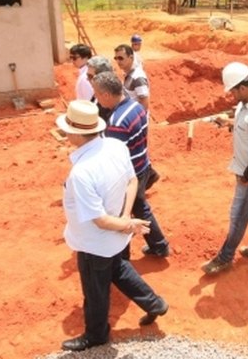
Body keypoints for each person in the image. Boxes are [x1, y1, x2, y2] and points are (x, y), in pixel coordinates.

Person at [55, 100, 168, 351]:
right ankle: (155, 304)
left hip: (95, 242)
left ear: (75, 133)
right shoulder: (115, 146)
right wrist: (126, 218)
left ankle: (96, 335)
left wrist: (125, 224)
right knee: (119, 269)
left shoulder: (82, 172)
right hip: (114, 237)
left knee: (95, 293)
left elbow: (100, 220)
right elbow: (132, 180)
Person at [202, 62, 248, 276]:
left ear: (242, 88)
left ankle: (224, 258)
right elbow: (247, 127)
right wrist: (229, 123)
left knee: (239, 216)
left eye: (233, 91)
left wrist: (247, 176)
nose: (231, 95)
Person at [92, 72, 170, 256]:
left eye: (96, 93)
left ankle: (132, 252)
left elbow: (113, 157)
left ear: (106, 95)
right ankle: (158, 245)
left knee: (128, 212)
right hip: (142, 164)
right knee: (140, 207)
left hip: (130, 174)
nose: (95, 97)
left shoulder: (117, 122)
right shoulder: (135, 107)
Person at [114, 44, 149, 111]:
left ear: (131, 58)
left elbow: (144, 104)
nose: (118, 61)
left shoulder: (138, 77)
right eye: (116, 58)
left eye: (121, 58)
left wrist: (133, 119)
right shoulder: (128, 74)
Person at [86, 55, 115, 122]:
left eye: (90, 76)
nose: (87, 79)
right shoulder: (98, 91)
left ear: (101, 77)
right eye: (87, 75)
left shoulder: (108, 99)